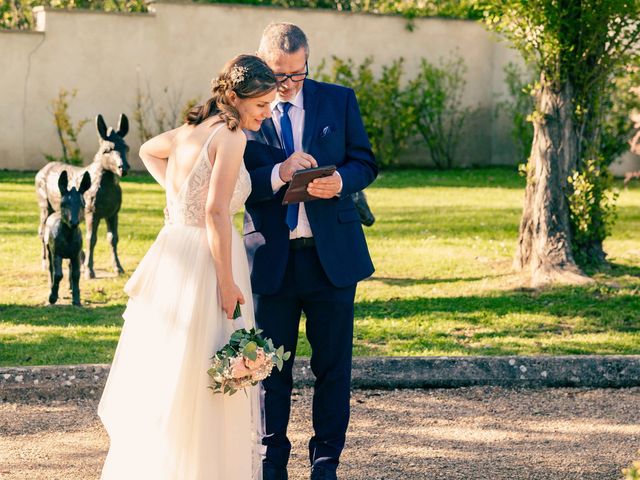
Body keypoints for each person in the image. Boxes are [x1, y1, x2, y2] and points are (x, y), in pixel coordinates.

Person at [98, 54, 276, 480]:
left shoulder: (191, 130)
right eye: (260, 106)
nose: (267, 115)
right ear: (233, 98)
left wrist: (181, 200)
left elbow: (146, 151)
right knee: (210, 374)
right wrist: (228, 282)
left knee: (174, 370)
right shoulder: (230, 137)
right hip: (208, 261)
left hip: (177, 251)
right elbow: (217, 213)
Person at [243, 23, 378, 480]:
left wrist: (341, 181)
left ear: (307, 64)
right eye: (278, 75)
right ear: (262, 64)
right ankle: (271, 461)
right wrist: (278, 174)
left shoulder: (339, 100)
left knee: (333, 369)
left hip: (331, 259)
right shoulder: (242, 112)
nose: (286, 85)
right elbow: (234, 183)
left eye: (296, 75)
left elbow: (365, 161)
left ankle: (325, 463)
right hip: (270, 260)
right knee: (267, 370)